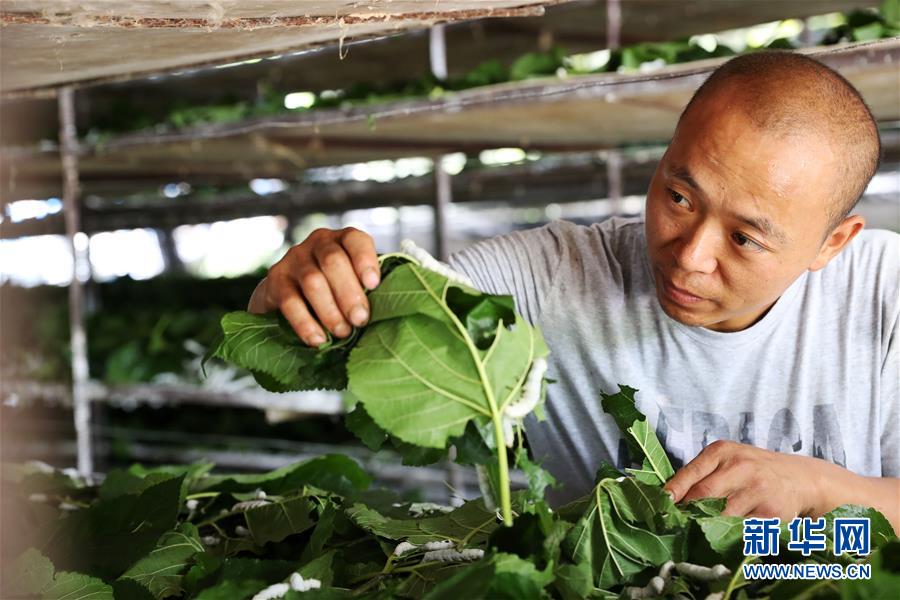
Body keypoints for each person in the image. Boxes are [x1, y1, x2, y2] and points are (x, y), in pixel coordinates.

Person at [248, 52, 900, 531]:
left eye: (745, 240)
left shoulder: (885, 292)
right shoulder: (549, 277)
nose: (690, 257)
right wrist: (304, 286)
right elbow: (368, 309)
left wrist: (821, 486)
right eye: (678, 196)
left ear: (831, 243)